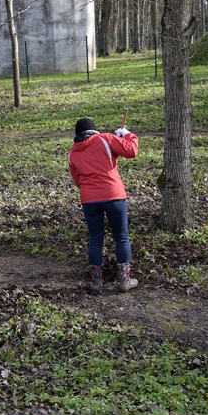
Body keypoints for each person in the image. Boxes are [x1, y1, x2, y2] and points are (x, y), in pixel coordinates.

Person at [68, 117, 139, 294]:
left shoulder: (72, 154)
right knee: (121, 237)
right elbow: (131, 151)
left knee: (95, 239)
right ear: (94, 130)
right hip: (113, 195)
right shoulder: (105, 139)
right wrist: (127, 135)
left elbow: (78, 181)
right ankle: (124, 280)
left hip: (89, 200)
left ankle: (96, 282)